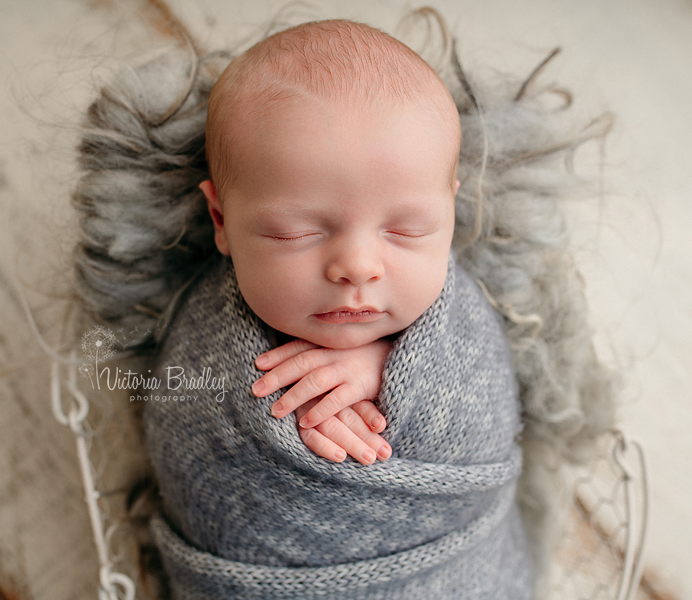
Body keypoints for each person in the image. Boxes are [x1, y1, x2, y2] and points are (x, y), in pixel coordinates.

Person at [141, 19, 533, 600]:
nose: (356, 267)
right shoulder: (205, 345)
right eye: (295, 233)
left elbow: (490, 410)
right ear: (221, 222)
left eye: (405, 230)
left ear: (451, 213)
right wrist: (278, 416)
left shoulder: (458, 318)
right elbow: (185, 443)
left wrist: (393, 373)